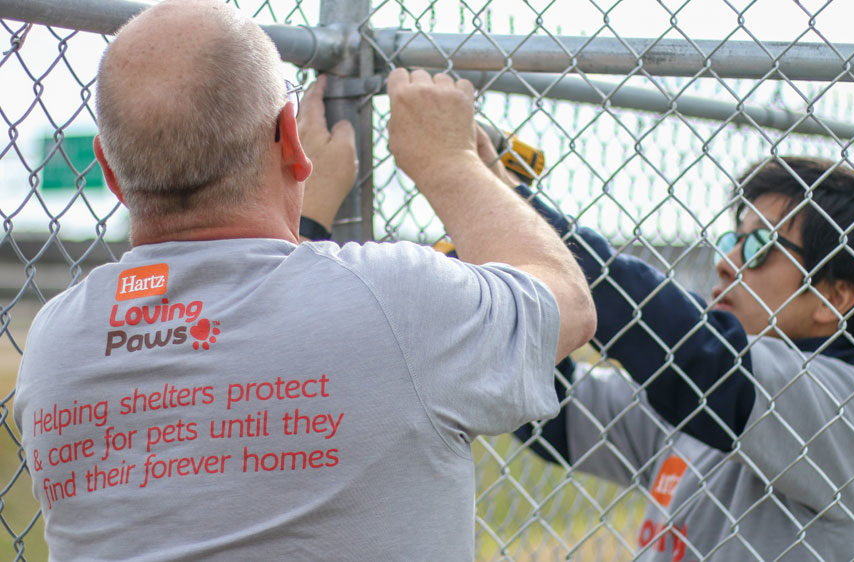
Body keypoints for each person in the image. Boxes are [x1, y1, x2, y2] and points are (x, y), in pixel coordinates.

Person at [13, 1, 596, 560]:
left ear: (111, 171)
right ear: (290, 137)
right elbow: (565, 303)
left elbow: (229, 354)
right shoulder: (393, 302)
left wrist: (306, 219)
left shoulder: (56, 344)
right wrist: (450, 163)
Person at [494, 141, 854, 560]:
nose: (726, 262)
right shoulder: (704, 405)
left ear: (833, 298)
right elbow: (552, 416)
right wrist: (499, 269)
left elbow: (692, 348)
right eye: (732, 240)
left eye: (760, 245)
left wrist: (505, 203)